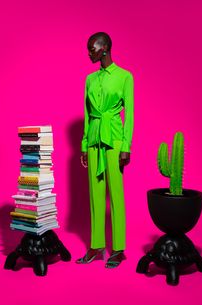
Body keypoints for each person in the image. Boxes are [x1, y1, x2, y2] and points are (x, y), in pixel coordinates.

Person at [76, 32, 134, 268]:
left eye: (92, 48)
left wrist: (126, 147)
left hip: (114, 140)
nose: (89, 53)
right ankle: (96, 245)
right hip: (93, 140)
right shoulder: (90, 79)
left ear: (105, 49)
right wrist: (83, 144)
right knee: (95, 195)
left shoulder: (124, 77)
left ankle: (119, 249)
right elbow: (87, 114)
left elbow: (128, 114)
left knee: (116, 196)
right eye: (89, 49)